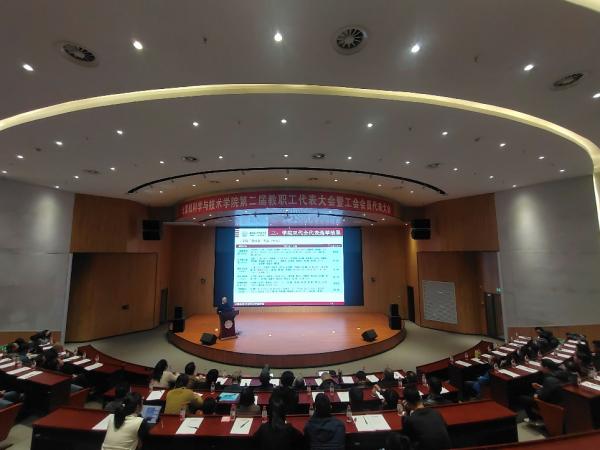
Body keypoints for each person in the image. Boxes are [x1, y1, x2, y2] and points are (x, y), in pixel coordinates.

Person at [521, 359, 567, 426]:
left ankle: (533, 419)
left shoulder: (549, 379)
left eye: (541, 366)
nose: (540, 368)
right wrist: (541, 387)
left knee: (523, 398)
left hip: (552, 405)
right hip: (562, 401)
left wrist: (536, 394)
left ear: (546, 368)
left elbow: (542, 397)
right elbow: (554, 387)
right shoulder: (561, 373)